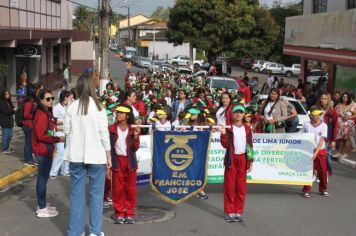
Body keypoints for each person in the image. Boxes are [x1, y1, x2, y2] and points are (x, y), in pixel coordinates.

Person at [64, 75, 111, 236]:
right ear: (93, 88)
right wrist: (109, 155)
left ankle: (75, 232)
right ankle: (95, 231)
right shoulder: (99, 107)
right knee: (96, 196)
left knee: (76, 195)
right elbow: (104, 133)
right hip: (97, 156)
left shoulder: (71, 107)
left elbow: (66, 131)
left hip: (76, 156)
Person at [32, 89, 64, 217]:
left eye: (52, 98)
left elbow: (48, 130)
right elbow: (41, 135)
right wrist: (58, 138)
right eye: (48, 99)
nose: (51, 101)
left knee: (43, 179)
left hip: (47, 149)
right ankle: (41, 207)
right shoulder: (41, 114)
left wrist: (57, 131)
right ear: (41, 101)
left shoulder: (46, 113)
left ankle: (43, 204)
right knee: (42, 178)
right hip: (42, 150)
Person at [220, 105, 253, 222]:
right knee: (229, 187)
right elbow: (225, 145)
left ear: (244, 114)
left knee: (241, 188)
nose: (238, 114)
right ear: (232, 115)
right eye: (236, 112)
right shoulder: (229, 128)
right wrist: (223, 134)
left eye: (241, 112)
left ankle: (238, 211)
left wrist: (250, 161)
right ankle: (229, 211)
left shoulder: (247, 129)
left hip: (243, 159)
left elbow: (250, 146)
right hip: (231, 160)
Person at [109, 105, 140, 224]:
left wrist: (136, 136)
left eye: (121, 113)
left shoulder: (133, 130)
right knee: (117, 189)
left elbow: (135, 148)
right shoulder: (111, 129)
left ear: (127, 116)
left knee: (131, 189)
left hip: (130, 161)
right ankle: (119, 213)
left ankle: (130, 213)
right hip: (117, 160)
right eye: (117, 113)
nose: (118, 115)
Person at [302, 106, 329, 198]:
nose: (317, 117)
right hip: (309, 150)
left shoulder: (324, 126)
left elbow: (322, 140)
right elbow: (302, 137)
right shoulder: (306, 124)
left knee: (323, 171)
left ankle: (323, 189)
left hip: (320, 151)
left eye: (319, 115)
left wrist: (315, 153)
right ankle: (307, 190)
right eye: (315, 115)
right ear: (311, 115)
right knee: (309, 171)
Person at [49, 91, 73, 179]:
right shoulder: (57, 107)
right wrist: (64, 122)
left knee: (68, 151)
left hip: (68, 132)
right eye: (70, 97)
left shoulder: (70, 106)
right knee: (60, 152)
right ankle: (53, 172)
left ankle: (65, 170)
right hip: (59, 132)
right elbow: (53, 121)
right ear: (65, 97)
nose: (72, 99)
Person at [335, 92, 356, 159]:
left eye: (346, 97)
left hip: (349, 123)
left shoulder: (352, 105)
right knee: (342, 138)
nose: (345, 98)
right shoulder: (339, 105)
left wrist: (348, 117)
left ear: (349, 98)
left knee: (346, 138)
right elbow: (335, 113)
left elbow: (355, 115)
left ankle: (346, 153)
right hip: (341, 124)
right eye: (344, 96)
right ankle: (339, 153)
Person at [22, 84, 37, 166]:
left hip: (31, 125)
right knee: (28, 143)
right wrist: (35, 115)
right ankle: (28, 159)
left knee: (31, 142)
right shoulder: (28, 102)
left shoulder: (32, 101)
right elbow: (26, 114)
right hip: (28, 126)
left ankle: (30, 158)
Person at [0, 89, 16, 154]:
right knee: (6, 135)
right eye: (6, 94)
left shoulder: (8, 101)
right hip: (4, 121)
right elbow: (6, 111)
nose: (8, 95)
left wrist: (13, 109)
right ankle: (5, 149)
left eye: (8, 94)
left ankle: (6, 148)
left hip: (10, 121)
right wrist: (13, 110)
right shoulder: (1, 102)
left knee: (10, 135)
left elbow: (12, 108)